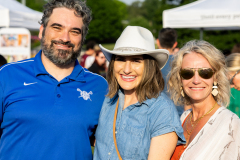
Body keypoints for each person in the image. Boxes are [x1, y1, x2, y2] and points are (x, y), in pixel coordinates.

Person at [0, 0, 108, 160]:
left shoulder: (99, 87)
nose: (65, 38)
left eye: (75, 31)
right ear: (42, 30)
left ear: (82, 38)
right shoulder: (7, 75)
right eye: (57, 28)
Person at [93, 26, 185, 160]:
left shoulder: (161, 110)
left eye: (136, 61)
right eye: (121, 59)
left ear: (149, 66)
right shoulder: (107, 100)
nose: (127, 69)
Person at [168, 40, 240, 160]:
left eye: (205, 73)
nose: (196, 80)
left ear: (215, 77)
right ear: (180, 78)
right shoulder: (182, 119)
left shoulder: (231, 124)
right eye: (187, 73)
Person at [156, 28, 184, 115]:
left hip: (157, 115)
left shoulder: (152, 65)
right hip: (180, 114)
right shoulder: (182, 64)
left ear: (158, 42)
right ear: (175, 44)